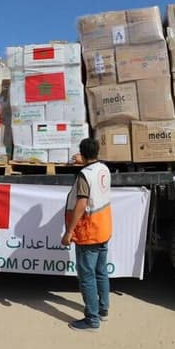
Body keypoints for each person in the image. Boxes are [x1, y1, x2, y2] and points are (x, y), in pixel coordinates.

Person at [62, 138, 113, 332]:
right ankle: (103, 309)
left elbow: (82, 203)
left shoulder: (84, 175)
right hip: (103, 228)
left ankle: (92, 320)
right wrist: (82, 162)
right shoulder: (103, 169)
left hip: (88, 230)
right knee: (101, 271)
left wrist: (69, 231)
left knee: (87, 276)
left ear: (82, 154)